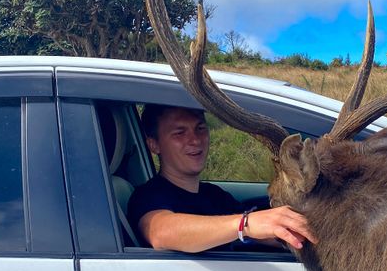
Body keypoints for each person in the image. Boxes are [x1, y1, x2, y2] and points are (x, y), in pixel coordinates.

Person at [127, 104, 316, 253]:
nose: (195, 139)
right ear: (154, 145)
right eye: (179, 133)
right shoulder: (147, 196)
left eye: (200, 128)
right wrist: (245, 224)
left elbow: (267, 234)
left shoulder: (214, 195)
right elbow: (161, 233)